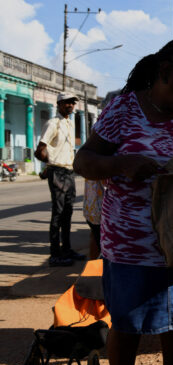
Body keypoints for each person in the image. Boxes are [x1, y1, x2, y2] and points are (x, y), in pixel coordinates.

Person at [73, 39, 173, 365]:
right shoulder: (123, 110)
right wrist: (122, 164)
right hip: (132, 248)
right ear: (164, 72)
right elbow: (83, 161)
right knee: (128, 326)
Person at [35, 92, 86, 267]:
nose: (71, 105)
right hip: (58, 171)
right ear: (58, 104)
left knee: (68, 212)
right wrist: (49, 165)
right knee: (58, 213)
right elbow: (40, 149)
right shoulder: (53, 123)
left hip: (69, 171)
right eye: (67, 103)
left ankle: (67, 249)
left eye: (73, 103)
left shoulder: (69, 123)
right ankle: (55, 254)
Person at [82, 178, 104, 259]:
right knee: (101, 245)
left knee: (95, 237)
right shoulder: (101, 167)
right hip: (99, 211)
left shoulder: (88, 167)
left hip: (91, 209)